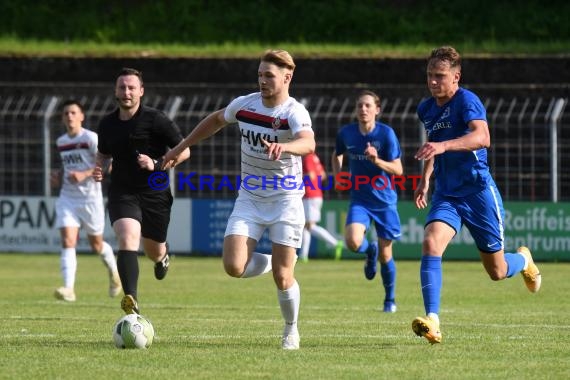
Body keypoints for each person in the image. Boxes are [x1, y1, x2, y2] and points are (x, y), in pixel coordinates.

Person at [163, 50, 315, 350]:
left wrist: (285, 148)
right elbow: (216, 120)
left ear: (287, 77)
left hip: (285, 200)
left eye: (268, 76)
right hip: (250, 198)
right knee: (234, 267)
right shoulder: (245, 105)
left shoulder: (294, 112)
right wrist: (181, 146)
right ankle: (274, 262)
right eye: (260, 74)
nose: (262, 81)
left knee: (284, 279)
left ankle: (290, 329)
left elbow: (308, 142)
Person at [412, 46, 541, 344]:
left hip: (478, 192)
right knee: (431, 242)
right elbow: (434, 142)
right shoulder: (426, 108)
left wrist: (443, 147)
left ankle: (523, 261)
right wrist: (425, 179)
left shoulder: (467, 101)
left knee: (497, 271)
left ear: (456, 77)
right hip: (447, 193)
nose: (433, 81)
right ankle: (433, 320)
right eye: (430, 75)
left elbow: (483, 137)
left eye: (440, 76)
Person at [93, 68, 190, 315]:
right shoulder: (107, 124)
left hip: (154, 191)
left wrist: (156, 164)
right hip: (122, 191)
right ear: (115, 91)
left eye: (131, 87)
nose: (126, 92)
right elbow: (103, 153)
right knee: (127, 237)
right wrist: (99, 168)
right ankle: (131, 302)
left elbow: (185, 151)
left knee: (153, 250)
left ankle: (162, 256)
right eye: (122, 87)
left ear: (141, 91)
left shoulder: (156, 119)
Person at [331, 90, 402, 313]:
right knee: (352, 242)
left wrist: (376, 160)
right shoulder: (347, 133)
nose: (363, 109)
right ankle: (367, 250)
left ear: (377, 110)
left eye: (368, 106)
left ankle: (389, 300)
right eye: (360, 105)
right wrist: (338, 175)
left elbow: (398, 170)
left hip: (384, 201)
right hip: (359, 200)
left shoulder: (386, 134)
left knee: (386, 255)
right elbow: (337, 154)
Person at [51, 99, 121, 302]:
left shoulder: (91, 138)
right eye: (66, 113)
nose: (69, 116)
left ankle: (114, 273)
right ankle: (69, 288)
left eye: (73, 112)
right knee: (68, 240)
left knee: (96, 245)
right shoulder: (61, 141)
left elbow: (109, 163)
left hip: (91, 199)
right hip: (67, 198)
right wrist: (57, 177)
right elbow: (66, 168)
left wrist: (85, 174)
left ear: (81, 116)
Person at [299, 152, 343, 262]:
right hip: (316, 195)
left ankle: (336, 243)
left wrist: (297, 177)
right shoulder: (315, 157)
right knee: (305, 226)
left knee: (310, 226)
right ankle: (303, 256)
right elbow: (322, 175)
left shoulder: (308, 158)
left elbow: (311, 175)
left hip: (310, 195)